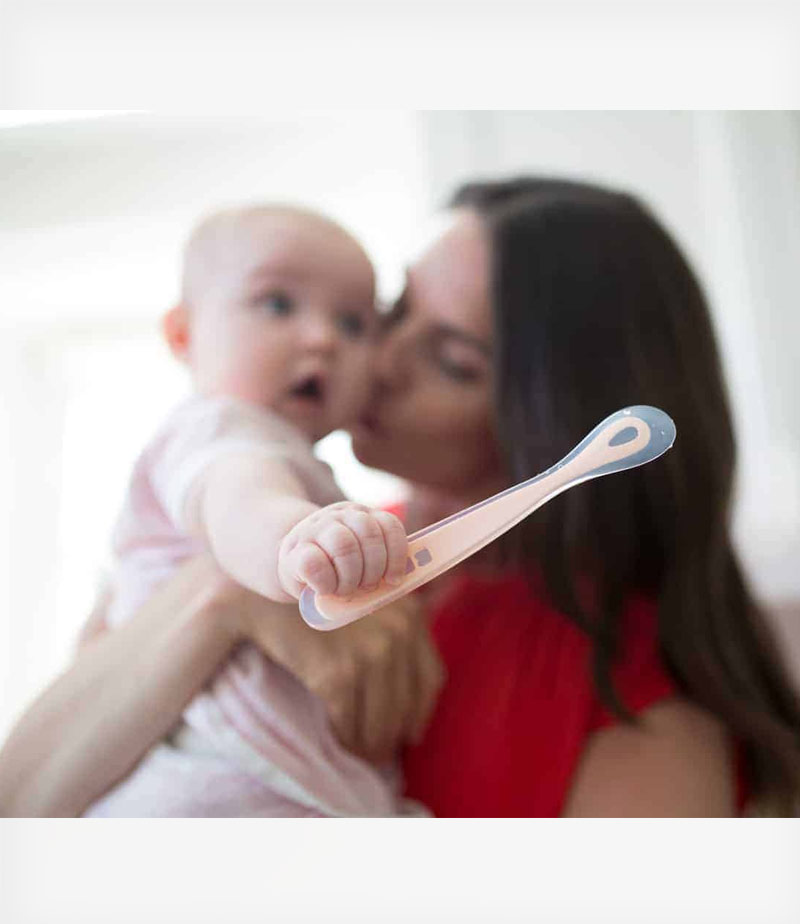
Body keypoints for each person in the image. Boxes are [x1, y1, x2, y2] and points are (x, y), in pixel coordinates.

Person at [2, 177, 799, 817]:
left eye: (452, 362)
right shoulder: (277, 532)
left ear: (547, 423)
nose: (375, 361)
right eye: (394, 311)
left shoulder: (638, 706)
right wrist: (228, 595)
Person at [83, 204, 415, 817]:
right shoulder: (219, 430)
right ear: (183, 335)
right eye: (278, 304)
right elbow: (241, 501)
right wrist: (301, 540)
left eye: (353, 323)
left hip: (260, 770)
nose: (322, 338)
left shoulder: (290, 455)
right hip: (209, 774)